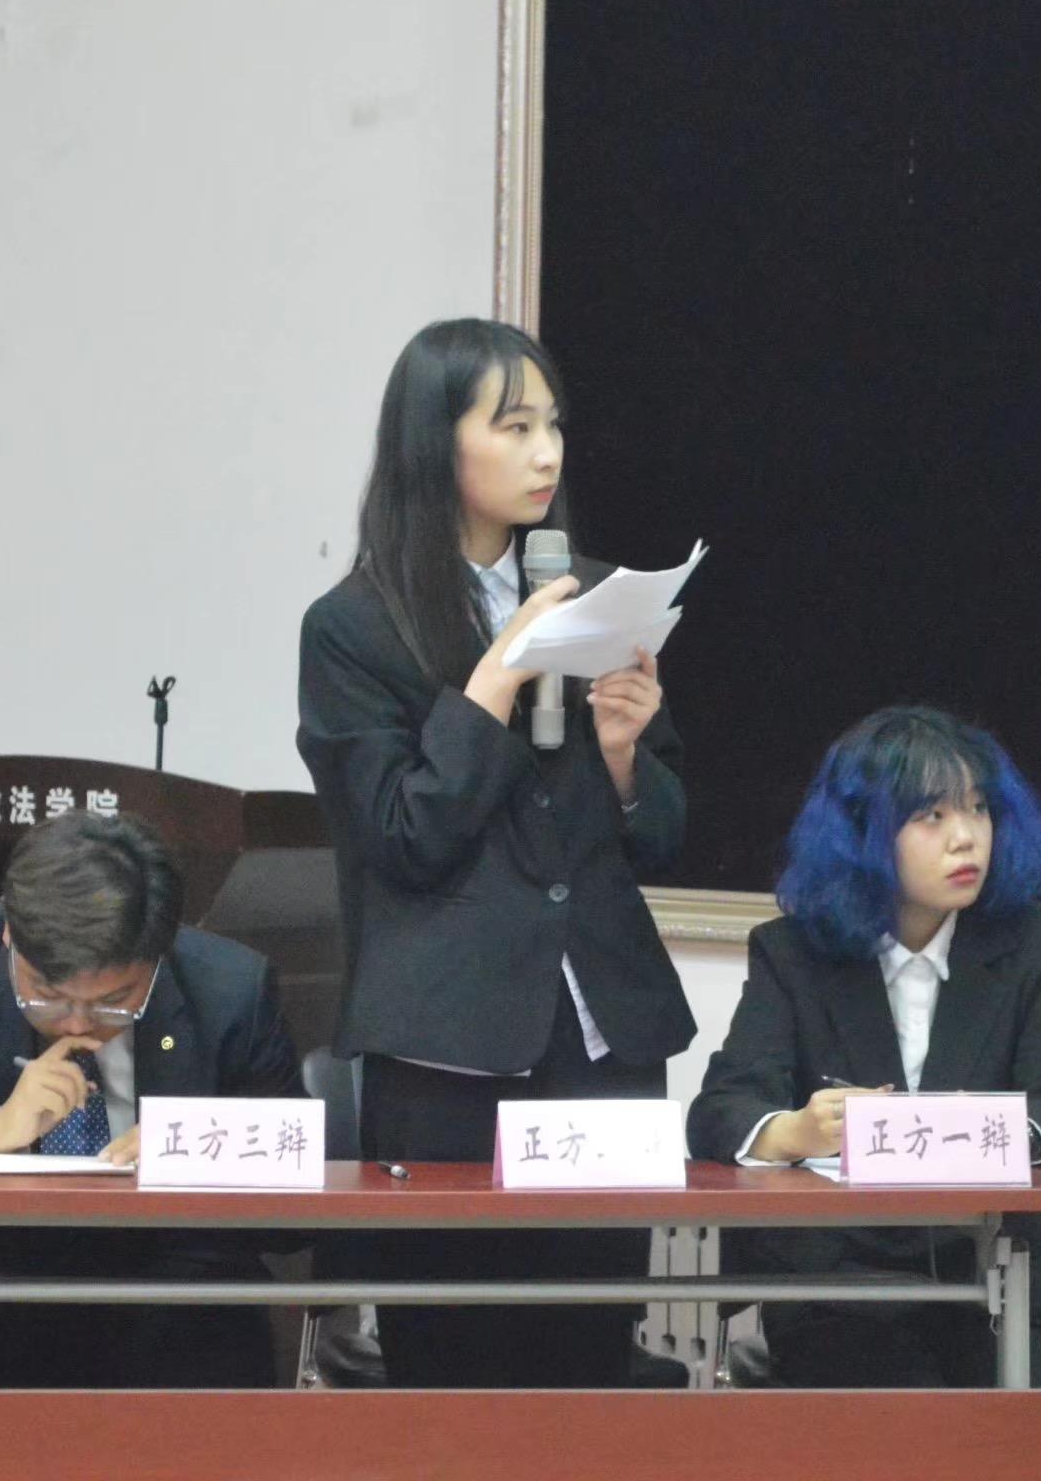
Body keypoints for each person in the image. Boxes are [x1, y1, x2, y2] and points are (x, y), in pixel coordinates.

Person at [296, 316, 695, 1388]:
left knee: (587, 1365)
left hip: (600, 1039)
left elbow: (659, 836)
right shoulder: (354, 627)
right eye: (514, 426)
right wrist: (492, 687)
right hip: (449, 1051)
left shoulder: (592, 591)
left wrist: (624, 755)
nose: (545, 452)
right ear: (436, 441)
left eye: (553, 425)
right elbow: (403, 837)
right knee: (454, 1367)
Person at [687, 705, 1041, 1387]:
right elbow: (722, 1111)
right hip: (835, 1289)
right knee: (873, 1378)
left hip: (996, 1287)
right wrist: (794, 1131)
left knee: (996, 1403)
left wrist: (983, 1133)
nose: (966, 837)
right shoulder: (793, 953)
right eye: (932, 816)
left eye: (979, 809)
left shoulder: (1038, 945)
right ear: (863, 836)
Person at [0, 810, 302, 1388]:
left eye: (115, 1001)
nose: (76, 1023)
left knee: (207, 1331)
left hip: (167, 1258)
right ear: (9, 934)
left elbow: (299, 1187)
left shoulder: (232, 987)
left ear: (160, 954)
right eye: (46, 994)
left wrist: (195, 1148)